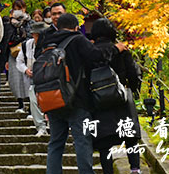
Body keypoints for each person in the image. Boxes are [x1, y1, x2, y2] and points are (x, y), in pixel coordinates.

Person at [45, 13, 126, 174]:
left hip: (53, 99)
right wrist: (116, 48)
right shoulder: (77, 39)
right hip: (77, 100)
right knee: (82, 141)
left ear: (58, 26)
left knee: (55, 142)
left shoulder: (47, 42)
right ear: (76, 27)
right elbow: (97, 57)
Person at [89, 18, 142, 174]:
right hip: (121, 98)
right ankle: (135, 169)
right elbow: (133, 73)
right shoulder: (121, 50)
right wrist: (132, 89)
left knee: (104, 141)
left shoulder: (92, 52)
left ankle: (107, 171)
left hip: (99, 100)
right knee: (130, 136)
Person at [16, 22, 48, 137]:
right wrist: (26, 70)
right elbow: (19, 61)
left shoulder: (50, 45)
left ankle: (50, 125)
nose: (37, 37)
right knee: (34, 101)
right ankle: (40, 126)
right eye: (36, 35)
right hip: (34, 78)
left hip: (49, 78)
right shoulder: (27, 45)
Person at [2, 0, 31, 113]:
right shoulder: (9, 24)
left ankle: (30, 105)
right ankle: (20, 104)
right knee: (15, 79)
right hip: (13, 53)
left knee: (27, 79)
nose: (18, 11)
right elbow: (5, 40)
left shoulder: (29, 22)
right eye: (16, 9)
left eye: (20, 8)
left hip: (27, 54)